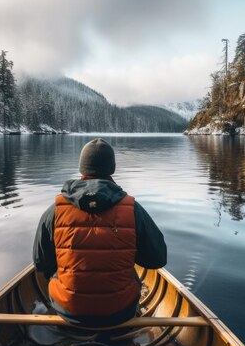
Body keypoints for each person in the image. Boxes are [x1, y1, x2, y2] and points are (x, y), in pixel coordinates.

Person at [33, 138, 167, 328]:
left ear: (82, 170)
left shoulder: (55, 211)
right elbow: (157, 259)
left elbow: (40, 263)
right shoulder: (133, 209)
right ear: (111, 169)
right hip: (121, 311)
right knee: (134, 276)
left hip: (68, 310)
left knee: (55, 272)